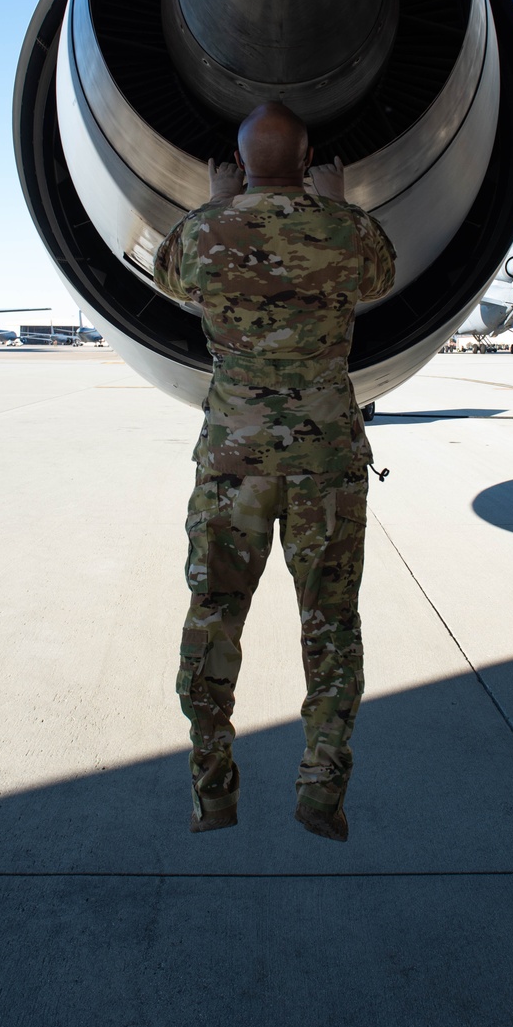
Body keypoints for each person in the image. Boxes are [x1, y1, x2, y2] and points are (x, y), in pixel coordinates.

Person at [153, 103, 396, 841]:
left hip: (234, 466)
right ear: (312, 157)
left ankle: (213, 793)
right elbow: (382, 277)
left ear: (235, 159)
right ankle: (322, 793)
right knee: (330, 627)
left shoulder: (204, 231)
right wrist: (333, 201)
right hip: (325, 462)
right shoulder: (347, 230)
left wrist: (220, 203)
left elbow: (168, 277)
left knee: (213, 619)